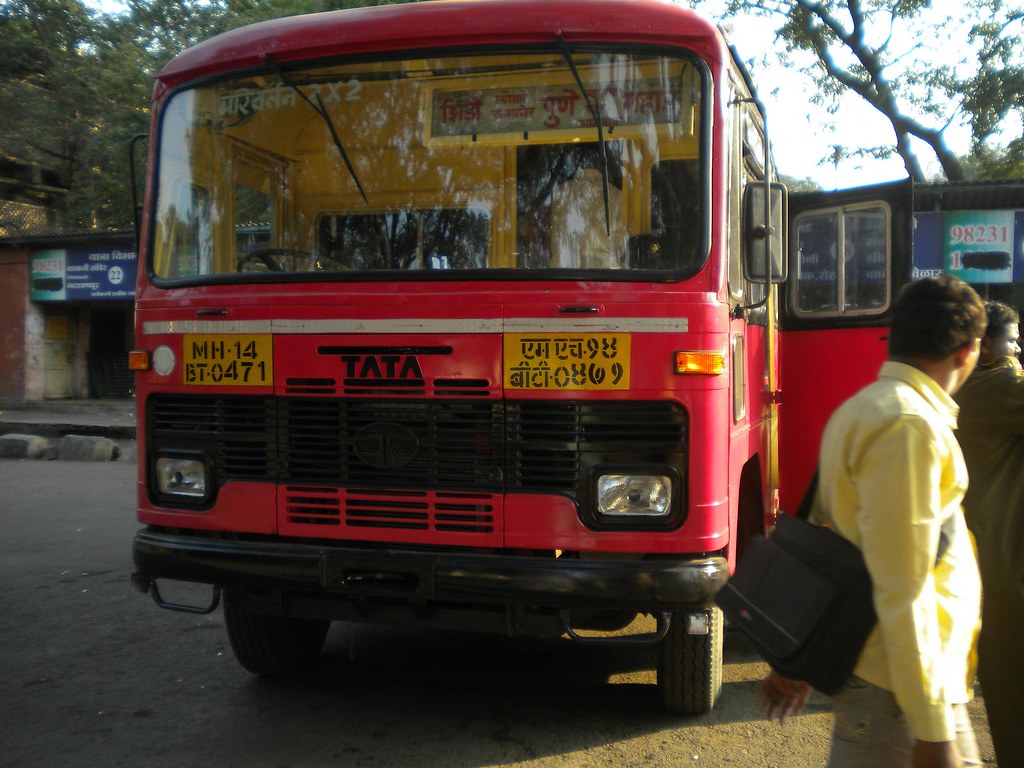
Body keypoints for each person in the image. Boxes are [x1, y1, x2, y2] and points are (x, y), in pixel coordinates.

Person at [759, 275, 986, 768]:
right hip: (901, 693)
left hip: (899, 681)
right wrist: (932, 731)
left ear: (894, 336)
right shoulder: (909, 425)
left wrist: (797, 658)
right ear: (967, 351)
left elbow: (822, 546)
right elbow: (904, 586)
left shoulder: (865, 408)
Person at [952, 300, 1024, 767]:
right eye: (1011, 341)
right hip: (1006, 558)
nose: (1017, 348)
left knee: (1002, 677)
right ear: (985, 345)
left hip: (978, 550)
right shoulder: (1001, 385)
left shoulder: (961, 386)